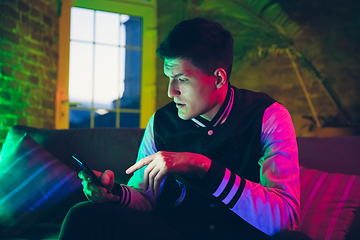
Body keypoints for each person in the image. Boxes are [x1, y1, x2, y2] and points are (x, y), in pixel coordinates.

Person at [59, 18, 311, 240]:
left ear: (219, 78)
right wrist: (114, 193)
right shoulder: (161, 122)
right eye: (169, 78)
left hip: (243, 234)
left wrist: (204, 167)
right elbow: (145, 198)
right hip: (176, 233)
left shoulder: (268, 116)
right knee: (84, 215)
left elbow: (284, 219)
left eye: (182, 79)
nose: (171, 91)